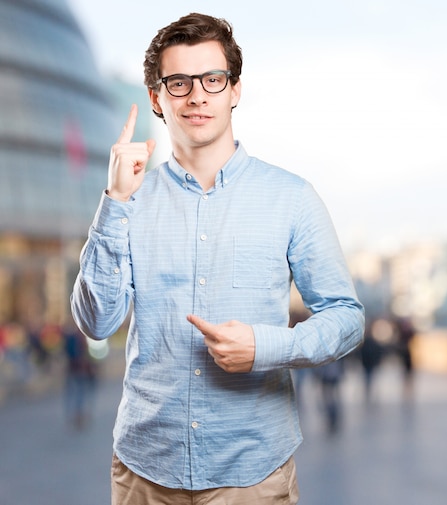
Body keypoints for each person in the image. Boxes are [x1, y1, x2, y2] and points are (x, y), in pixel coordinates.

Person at [70, 13, 364, 505]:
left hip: (253, 473)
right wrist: (115, 201)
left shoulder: (292, 198)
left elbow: (347, 318)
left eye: (212, 79)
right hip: (145, 471)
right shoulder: (128, 202)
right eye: (179, 82)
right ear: (156, 98)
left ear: (235, 90)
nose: (197, 96)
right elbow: (97, 323)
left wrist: (266, 347)